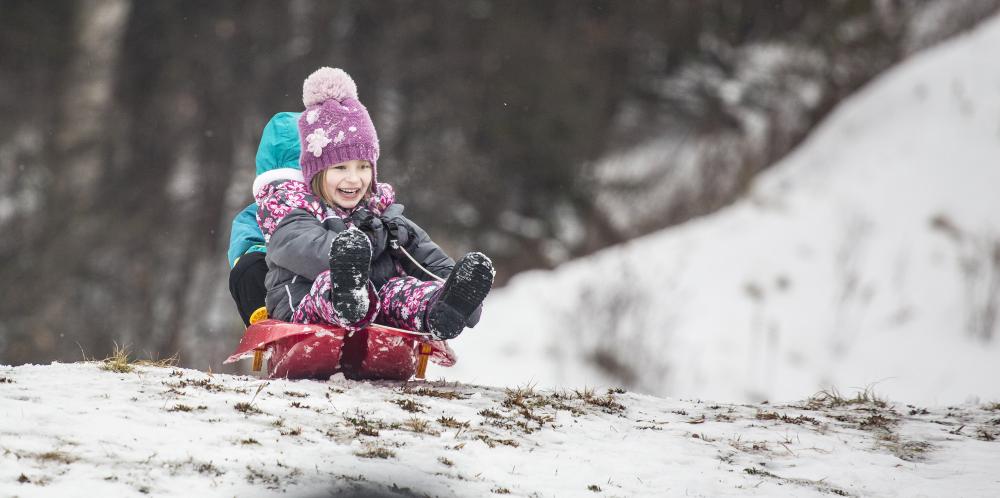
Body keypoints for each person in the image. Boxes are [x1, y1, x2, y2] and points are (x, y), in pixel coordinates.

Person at [255, 67, 494, 340]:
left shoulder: (382, 214)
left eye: (363, 167)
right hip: (303, 305)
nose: (354, 179)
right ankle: (349, 298)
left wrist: (457, 293)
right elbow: (305, 250)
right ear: (317, 171)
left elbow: (425, 257)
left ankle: (441, 310)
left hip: (373, 305)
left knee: (400, 291)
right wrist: (362, 246)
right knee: (331, 283)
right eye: (340, 168)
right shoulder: (292, 209)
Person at [227, 112, 302, 326]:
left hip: (319, 279)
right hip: (278, 279)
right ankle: (266, 321)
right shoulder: (257, 213)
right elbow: (245, 242)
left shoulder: (328, 206)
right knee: (247, 268)